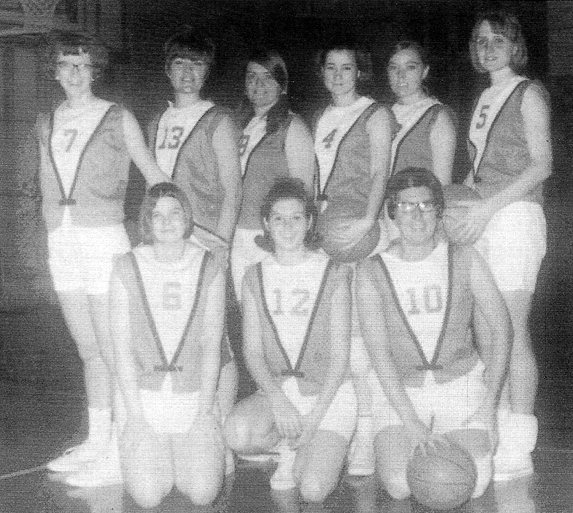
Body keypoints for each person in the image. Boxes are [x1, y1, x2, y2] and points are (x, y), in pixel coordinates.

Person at [37, 32, 169, 486]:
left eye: (83, 65)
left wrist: (181, 223)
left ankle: (121, 450)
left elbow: (153, 176)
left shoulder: (117, 116)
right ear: (54, 71)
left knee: (114, 351)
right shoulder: (46, 121)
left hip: (102, 238)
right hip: (64, 240)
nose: (74, 73)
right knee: (88, 350)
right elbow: (46, 184)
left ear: (96, 71)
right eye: (66, 64)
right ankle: (97, 441)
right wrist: (51, 232)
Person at [356, 167, 511, 500]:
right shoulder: (371, 270)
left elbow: (503, 329)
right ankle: (375, 432)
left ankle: (465, 427)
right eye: (407, 206)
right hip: (402, 391)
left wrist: (489, 406)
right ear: (391, 212)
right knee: (400, 484)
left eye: (426, 205)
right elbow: (379, 355)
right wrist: (411, 422)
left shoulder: (465, 256)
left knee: (472, 481)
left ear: (439, 211)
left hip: (459, 384)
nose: (417, 215)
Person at [459, 10, 551, 481]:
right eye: (480, 40)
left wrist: (485, 206)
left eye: (498, 39)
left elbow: (541, 166)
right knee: (483, 326)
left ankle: (520, 441)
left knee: (510, 329)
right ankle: (488, 425)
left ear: (515, 46)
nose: (488, 46)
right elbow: (478, 174)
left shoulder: (528, 91)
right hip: (485, 214)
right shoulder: (484, 97)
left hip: (514, 215)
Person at [223, 178, 357, 502]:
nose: (287, 226)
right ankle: (287, 446)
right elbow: (252, 352)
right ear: (266, 223)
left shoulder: (334, 271)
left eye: (296, 217)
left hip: (329, 393)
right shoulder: (253, 275)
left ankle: (328, 445)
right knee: (236, 433)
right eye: (278, 218)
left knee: (311, 490)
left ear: (309, 221)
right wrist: (278, 399)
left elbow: (341, 360)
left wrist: (313, 419)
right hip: (282, 392)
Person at [109, 183, 231, 507]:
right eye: (156, 214)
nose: (166, 222)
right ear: (146, 221)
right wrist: (135, 417)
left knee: (204, 493)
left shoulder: (209, 265)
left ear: (187, 217)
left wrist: (205, 411)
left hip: (191, 395)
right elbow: (120, 347)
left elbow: (210, 343)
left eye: (175, 212)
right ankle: (152, 448)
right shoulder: (126, 266)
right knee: (149, 496)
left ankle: (192, 447)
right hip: (143, 398)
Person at [147, 29, 241, 440]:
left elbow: (233, 188)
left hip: (205, 241)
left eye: (197, 64)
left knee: (215, 337)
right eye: (180, 63)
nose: (188, 72)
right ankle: (182, 418)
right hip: (166, 242)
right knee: (174, 329)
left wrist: (220, 245)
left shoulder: (217, 119)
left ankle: (217, 427)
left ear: (207, 71)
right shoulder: (157, 120)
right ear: (168, 70)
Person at [313, 37, 394, 476]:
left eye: (346, 68)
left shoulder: (375, 112)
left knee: (362, 334)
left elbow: (381, 168)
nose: (338, 75)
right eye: (331, 68)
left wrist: (368, 220)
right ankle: (337, 432)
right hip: (326, 228)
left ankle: (366, 433)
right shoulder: (323, 116)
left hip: (358, 228)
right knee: (334, 332)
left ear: (359, 71)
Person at [231, 48, 315, 299]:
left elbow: (304, 193)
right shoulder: (236, 126)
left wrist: (291, 240)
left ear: (282, 84)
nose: (258, 84)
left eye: (268, 77)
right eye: (251, 76)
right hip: (238, 234)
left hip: (275, 234)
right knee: (247, 313)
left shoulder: (294, 127)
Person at [387, 40, 456, 184]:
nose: (401, 75)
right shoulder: (382, 113)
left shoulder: (437, 116)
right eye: (394, 68)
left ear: (424, 72)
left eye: (410, 67)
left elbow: (442, 183)